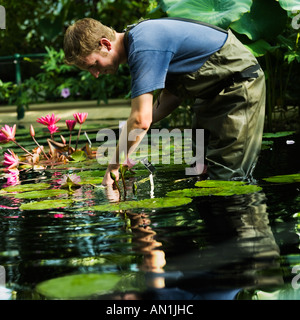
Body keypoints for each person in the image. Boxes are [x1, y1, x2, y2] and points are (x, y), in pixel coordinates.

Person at [63, 17, 266, 185]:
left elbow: (140, 120)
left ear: (105, 44)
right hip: (209, 97)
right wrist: (130, 143)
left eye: (94, 65)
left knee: (227, 179)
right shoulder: (139, 40)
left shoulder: (142, 46)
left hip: (237, 87)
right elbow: (171, 96)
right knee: (200, 171)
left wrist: (113, 168)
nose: (95, 74)